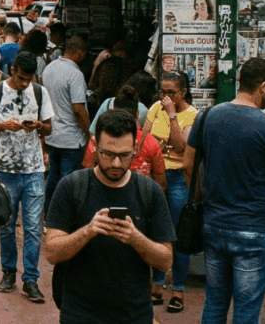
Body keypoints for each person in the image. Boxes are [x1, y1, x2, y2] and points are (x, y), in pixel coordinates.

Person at [187, 58, 265, 324]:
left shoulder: (207, 116)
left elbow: (188, 164)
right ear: (263, 86)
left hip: (214, 225)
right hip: (253, 231)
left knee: (215, 304)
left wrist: (200, 197)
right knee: (246, 311)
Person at [44, 109, 176, 324]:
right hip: (80, 314)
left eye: (125, 155)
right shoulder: (71, 187)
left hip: (135, 314)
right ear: (95, 147)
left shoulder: (149, 191)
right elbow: (51, 252)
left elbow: (165, 260)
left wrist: (135, 238)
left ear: (135, 148)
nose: (116, 164)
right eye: (108, 154)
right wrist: (88, 231)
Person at [0, 51, 53, 303]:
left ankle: (30, 279)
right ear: (12, 70)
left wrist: (39, 126)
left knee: (33, 228)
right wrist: (3, 126)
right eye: (21, 78)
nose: (25, 84)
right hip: (5, 170)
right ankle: (9, 271)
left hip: (33, 170)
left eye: (29, 79)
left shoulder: (40, 92)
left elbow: (49, 127)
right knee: (7, 226)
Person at [141, 71, 200, 311]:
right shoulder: (155, 108)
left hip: (177, 178)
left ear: (183, 93)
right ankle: (156, 284)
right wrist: (162, 146)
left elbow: (182, 147)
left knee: (178, 235)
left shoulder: (192, 115)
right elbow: (145, 139)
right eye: (162, 92)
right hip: (155, 175)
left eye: (171, 93)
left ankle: (178, 289)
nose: (165, 97)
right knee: (156, 232)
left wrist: (173, 117)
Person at [82, 86, 166, 190]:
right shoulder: (150, 142)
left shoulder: (97, 140)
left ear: (113, 110)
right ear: (137, 113)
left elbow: (87, 176)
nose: (116, 164)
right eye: (108, 154)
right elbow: (161, 183)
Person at [43, 36, 91, 204]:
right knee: (68, 183)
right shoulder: (75, 74)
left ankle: (49, 215)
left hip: (52, 136)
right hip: (71, 139)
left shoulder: (49, 68)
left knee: (53, 179)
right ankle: (64, 219)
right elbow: (78, 108)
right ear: (79, 52)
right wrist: (89, 132)